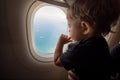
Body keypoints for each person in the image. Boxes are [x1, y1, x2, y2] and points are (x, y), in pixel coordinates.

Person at [54, 0, 120, 80]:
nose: (69, 29)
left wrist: (60, 42)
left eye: (70, 25)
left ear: (85, 27)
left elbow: (57, 61)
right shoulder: (102, 42)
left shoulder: (78, 50)